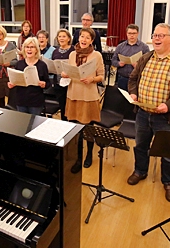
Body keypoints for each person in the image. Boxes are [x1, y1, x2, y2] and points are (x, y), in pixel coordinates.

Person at [127, 23, 170, 203]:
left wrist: (169, 105)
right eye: (155, 35)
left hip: (166, 117)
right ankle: (140, 171)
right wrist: (133, 92)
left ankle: (169, 182)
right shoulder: (146, 58)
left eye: (161, 36)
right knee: (141, 145)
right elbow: (133, 79)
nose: (156, 39)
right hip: (143, 113)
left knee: (168, 152)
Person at [63, 28, 104, 172]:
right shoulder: (73, 54)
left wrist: (92, 79)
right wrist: (66, 74)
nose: (84, 39)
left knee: (88, 130)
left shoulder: (97, 55)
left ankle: (88, 155)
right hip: (73, 94)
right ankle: (78, 157)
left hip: (89, 96)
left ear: (92, 40)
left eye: (87, 37)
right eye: (82, 36)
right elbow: (70, 72)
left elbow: (101, 76)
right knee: (75, 129)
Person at [7, 37, 49, 115]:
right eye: (27, 47)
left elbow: (48, 83)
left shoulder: (42, 65)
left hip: (35, 101)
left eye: (32, 47)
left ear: (36, 49)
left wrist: (44, 84)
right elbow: (14, 80)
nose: (29, 49)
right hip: (21, 100)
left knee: (34, 124)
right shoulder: (19, 64)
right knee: (23, 124)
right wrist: (11, 84)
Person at [111, 24, 150, 91]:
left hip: (136, 79)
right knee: (121, 99)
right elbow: (113, 60)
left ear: (138, 33)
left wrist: (138, 66)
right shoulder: (120, 47)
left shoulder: (144, 47)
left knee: (133, 99)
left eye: (134, 33)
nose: (132, 35)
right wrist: (119, 63)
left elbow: (148, 64)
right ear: (126, 34)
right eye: (129, 33)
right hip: (122, 78)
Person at [52, 29, 75, 121]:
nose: (61, 38)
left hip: (71, 83)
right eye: (59, 36)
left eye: (64, 36)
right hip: (58, 83)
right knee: (62, 106)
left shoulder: (74, 50)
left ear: (69, 38)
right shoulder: (55, 51)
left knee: (72, 107)